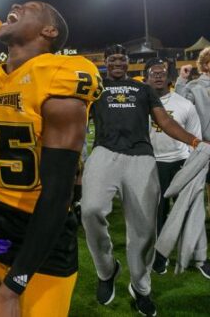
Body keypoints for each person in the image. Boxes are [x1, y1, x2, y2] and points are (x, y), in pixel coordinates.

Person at [0, 1, 101, 316]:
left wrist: (14, 286)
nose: (15, 5)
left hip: (42, 255)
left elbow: (58, 194)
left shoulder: (59, 74)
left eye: (30, 7)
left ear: (49, 31)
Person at [81, 45, 205, 317]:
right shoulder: (96, 88)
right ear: (105, 62)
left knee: (144, 229)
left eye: (121, 59)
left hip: (140, 156)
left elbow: (164, 121)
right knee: (90, 210)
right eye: (111, 59)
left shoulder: (143, 89)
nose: (116, 63)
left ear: (127, 63)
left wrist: (194, 140)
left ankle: (141, 288)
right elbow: (78, 120)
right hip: (105, 151)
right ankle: (107, 269)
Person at [144, 58, 210, 276]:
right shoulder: (138, 106)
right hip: (153, 165)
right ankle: (160, 257)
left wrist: (193, 167)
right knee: (159, 215)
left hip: (182, 164)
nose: (158, 76)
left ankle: (199, 258)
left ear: (169, 77)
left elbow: (196, 139)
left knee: (192, 212)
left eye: (162, 72)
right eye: (153, 73)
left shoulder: (184, 104)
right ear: (146, 78)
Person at [175, 47, 210, 217]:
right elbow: (181, 106)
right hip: (203, 146)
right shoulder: (194, 86)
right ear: (206, 65)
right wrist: (182, 79)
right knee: (197, 188)